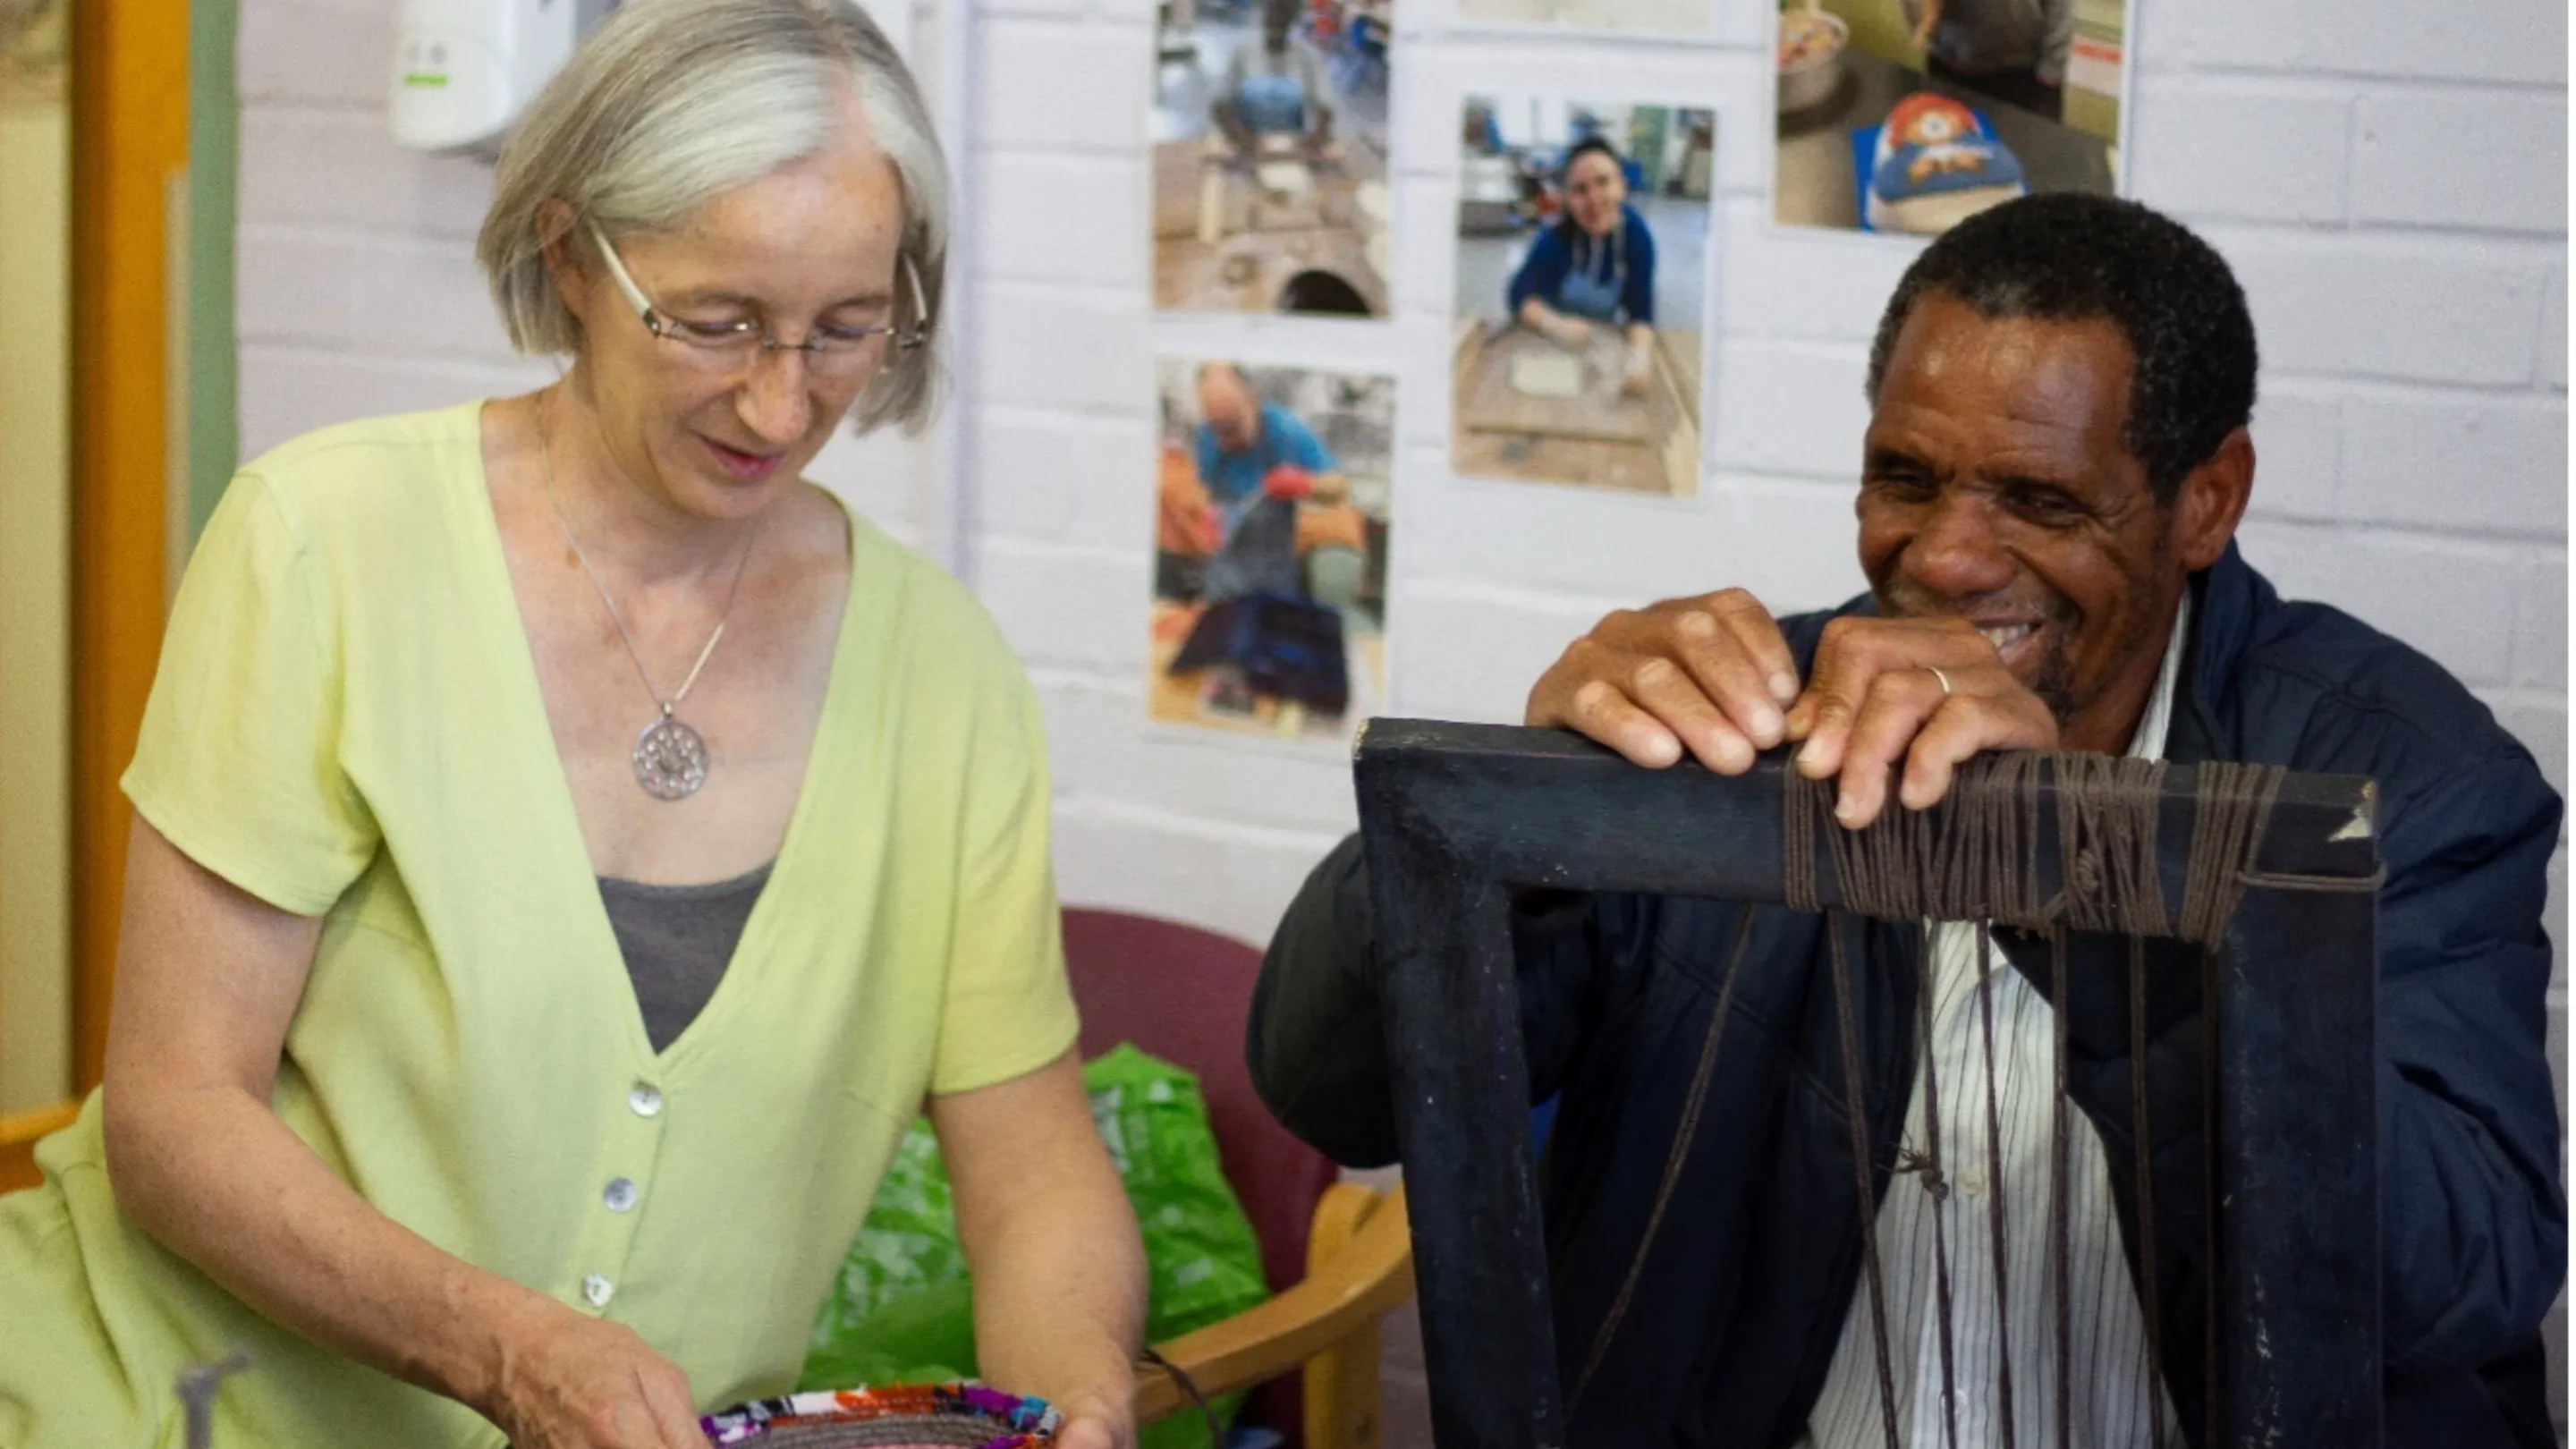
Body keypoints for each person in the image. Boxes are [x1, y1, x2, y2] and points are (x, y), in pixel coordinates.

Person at [0, 4, 1146, 1446]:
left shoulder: (946, 671)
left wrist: (1081, 1408)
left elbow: (1031, 1167)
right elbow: (175, 1119)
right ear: (569, 257)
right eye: (718, 321)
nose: (781, 399)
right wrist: (508, 1351)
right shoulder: (326, 541)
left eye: (846, 329)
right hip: (148, 1401)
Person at [1250, 194, 2563, 1446]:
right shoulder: (1744, 722)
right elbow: (1330, 1091)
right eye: (1906, 478)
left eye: (2040, 501)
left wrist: (2071, 858)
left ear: (2206, 499)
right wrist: (1529, 812)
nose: (1945, 557)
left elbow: (2463, 1272)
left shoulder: (2406, 779)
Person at [1507, 136, 1661, 396]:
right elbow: (1519, 297)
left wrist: (1640, 356)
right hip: (1550, 351)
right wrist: (1552, 324)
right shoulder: (1554, 239)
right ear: (1567, 199)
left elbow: (1641, 315)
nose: (1593, 199)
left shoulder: (1637, 239)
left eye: (1603, 182)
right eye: (1580, 189)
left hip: (1600, 354)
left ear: (1622, 186)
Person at [1904, 0, 2075, 122]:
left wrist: (2050, 77)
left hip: (2019, 73)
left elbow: (2060, 11)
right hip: (1948, 66)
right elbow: (1920, 22)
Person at [1210, 0, 1336, 161]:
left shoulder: (1307, 56)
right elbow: (1219, 103)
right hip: (1246, 144)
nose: (1277, 22)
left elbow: (1325, 104)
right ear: (1265, 16)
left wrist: (1319, 134)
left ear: (1293, 20)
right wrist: (1239, 136)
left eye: (1284, 18)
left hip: (1292, 146)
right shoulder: (1243, 52)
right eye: (1273, 15)